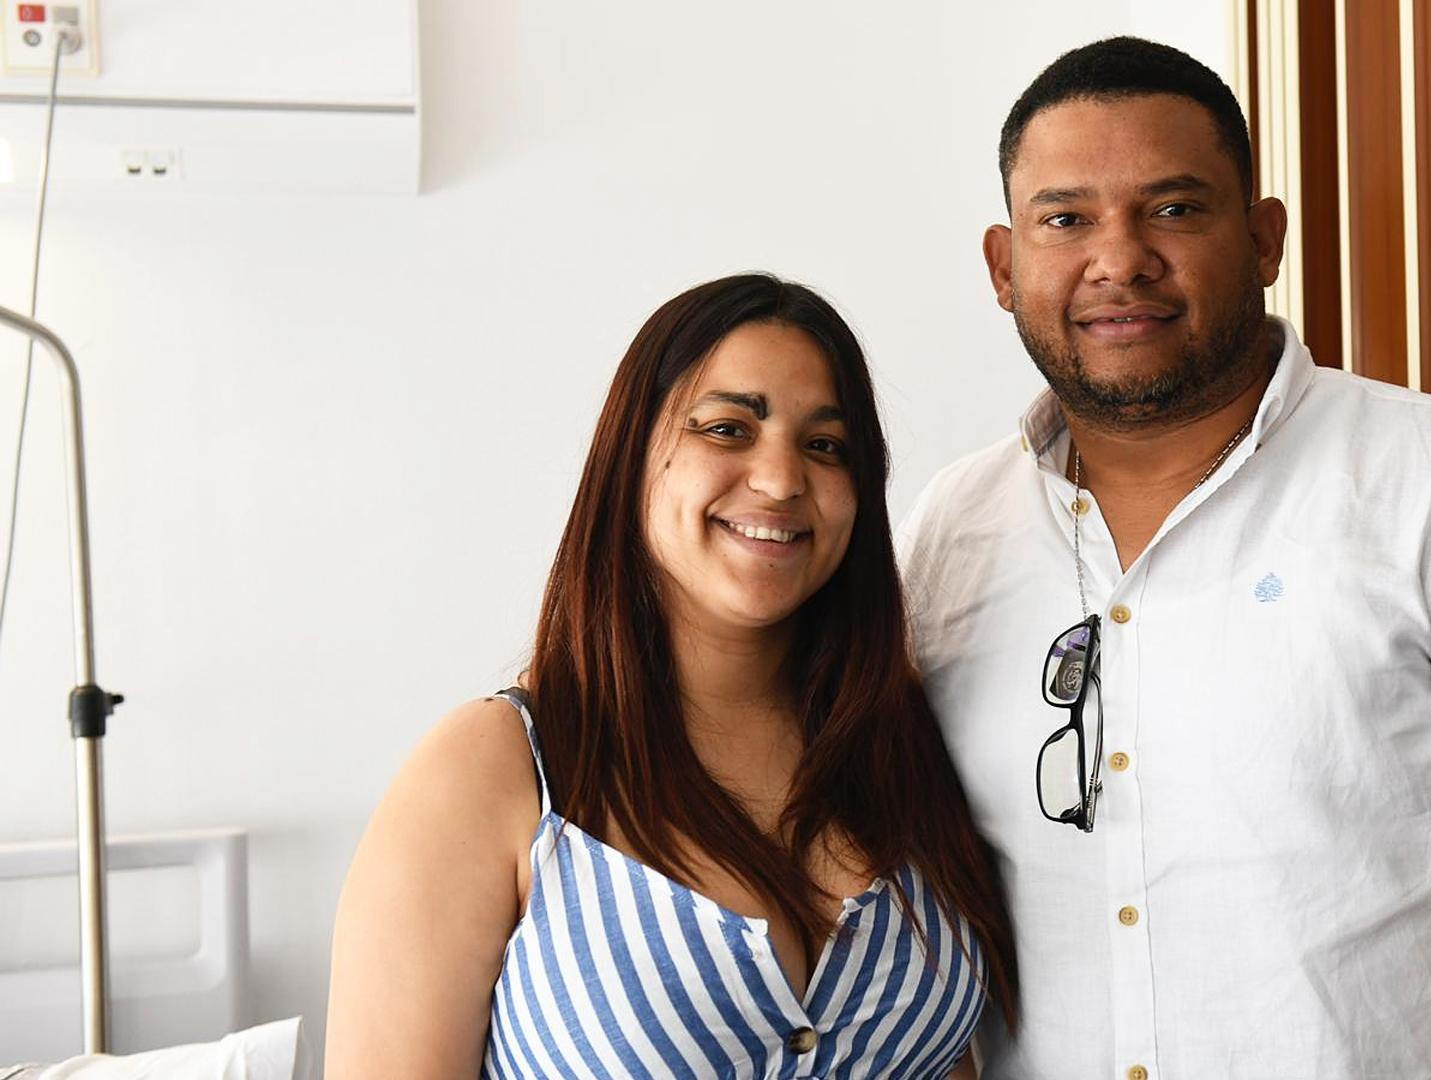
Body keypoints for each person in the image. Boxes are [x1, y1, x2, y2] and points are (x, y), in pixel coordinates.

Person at [900, 37, 1431, 1079]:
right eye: (1066, 220)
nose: (1120, 260)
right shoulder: (950, 529)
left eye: (1174, 208)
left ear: (1264, 238)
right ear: (1004, 268)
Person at [328, 274, 1015, 1078]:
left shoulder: (905, 742)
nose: (782, 480)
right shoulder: (497, 768)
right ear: (631, 458)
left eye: (826, 446)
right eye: (727, 429)